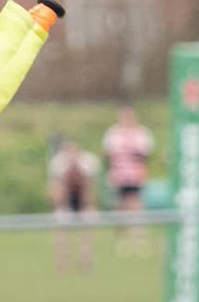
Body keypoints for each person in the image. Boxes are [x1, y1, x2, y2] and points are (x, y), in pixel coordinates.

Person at [101, 105, 155, 255]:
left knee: (136, 205)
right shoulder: (113, 134)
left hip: (135, 175)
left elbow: (145, 156)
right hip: (118, 175)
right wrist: (109, 173)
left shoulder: (141, 133)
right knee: (120, 206)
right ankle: (121, 239)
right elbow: (107, 155)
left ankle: (137, 237)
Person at [47, 136, 99, 274]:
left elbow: (89, 187)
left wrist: (88, 205)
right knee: (60, 232)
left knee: (86, 232)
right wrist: (59, 205)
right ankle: (61, 261)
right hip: (65, 202)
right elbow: (56, 188)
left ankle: (85, 261)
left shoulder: (88, 163)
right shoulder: (58, 164)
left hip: (82, 201)